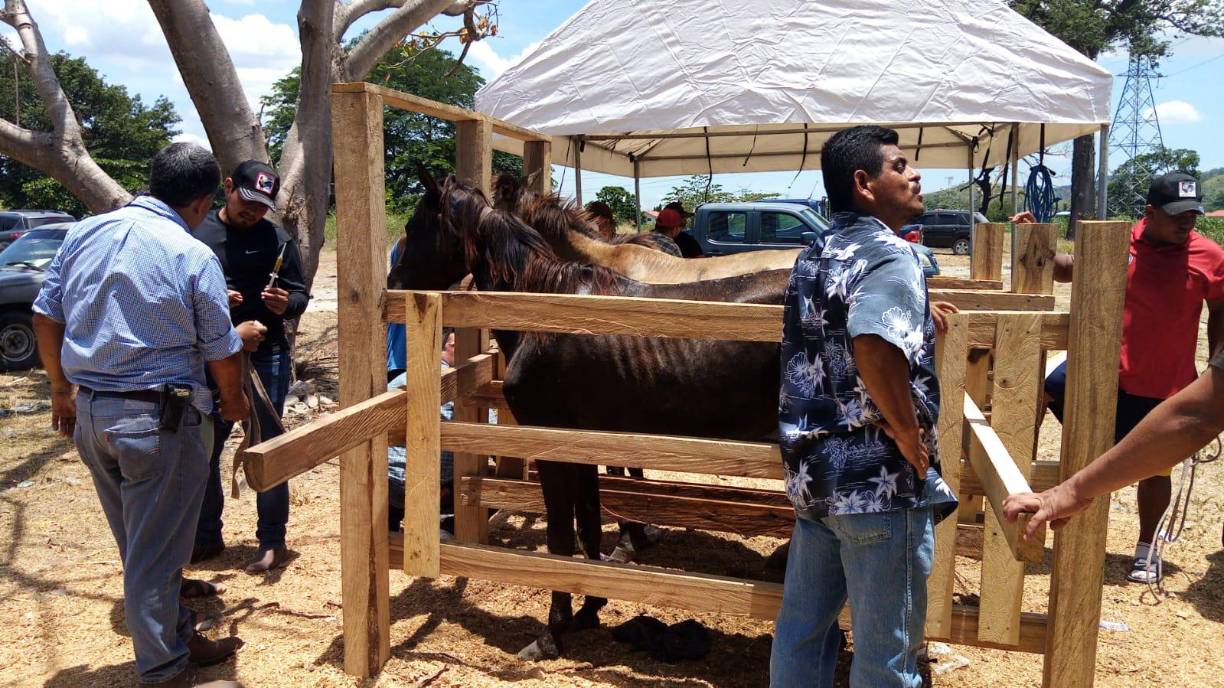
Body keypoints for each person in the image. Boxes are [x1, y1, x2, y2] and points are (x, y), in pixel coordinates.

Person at [31, 142, 249, 688]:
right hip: (158, 421)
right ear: (202, 202)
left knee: (143, 545)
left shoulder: (83, 233)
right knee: (154, 555)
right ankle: (164, 671)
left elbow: (44, 314)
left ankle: (177, 637)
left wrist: (60, 387)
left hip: (93, 416)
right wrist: (233, 399)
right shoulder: (191, 252)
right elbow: (222, 349)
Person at [771, 125, 958, 688]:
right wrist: (905, 430)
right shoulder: (892, 255)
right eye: (900, 166)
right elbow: (872, 344)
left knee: (802, 633)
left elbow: (834, 330)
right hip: (878, 477)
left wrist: (921, 318)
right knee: (887, 656)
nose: (916, 173)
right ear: (864, 183)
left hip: (816, 476)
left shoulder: (818, 251)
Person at [1014, 172, 1224, 583]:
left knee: (1156, 469)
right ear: (1150, 212)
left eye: (1193, 216)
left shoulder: (1210, 256)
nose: (1187, 224)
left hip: (1165, 381)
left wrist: (1216, 358)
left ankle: (1146, 547)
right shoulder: (1119, 243)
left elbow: (1220, 308)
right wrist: (1034, 238)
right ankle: (1026, 480)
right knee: (1043, 390)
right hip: (1103, 373)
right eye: (1178, 215)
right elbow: (1065, 270)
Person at [191, 160, 310, 573]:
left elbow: (299, 294)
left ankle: (272, 541)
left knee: (267, 444)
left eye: (262, 206)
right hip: (211, 355)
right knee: (206, 445)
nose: (253, 212)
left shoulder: (277, 239)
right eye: (248, 202)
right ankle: (206, 538)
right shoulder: (197, 234)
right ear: (228, 187)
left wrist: (286, 304)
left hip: (266, 355)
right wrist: (212, 301)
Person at [1004, 346, 1224, 545]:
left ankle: (1147, 545)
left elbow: (1195, 420)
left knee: (1158, 474)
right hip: (1113, 367)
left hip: (1165, 379)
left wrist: (1074, 489)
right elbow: (1195, 419)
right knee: (1048, 383)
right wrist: (1075, 489)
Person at [387, 330, 456, 533]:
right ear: (443, 348)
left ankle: (390, 530)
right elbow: (488, 433)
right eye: (455, 346)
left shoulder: (399, 381)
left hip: (389, 482)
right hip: (435, 487)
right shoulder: (459, 384)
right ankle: (447, 527)